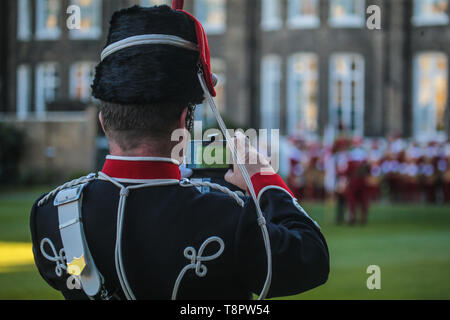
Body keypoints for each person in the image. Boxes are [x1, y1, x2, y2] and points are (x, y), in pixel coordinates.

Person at [29, 4, 329, 300]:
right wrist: (261, 177)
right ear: (183, 120)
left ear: (102, 121)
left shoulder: (50, 214)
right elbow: (311, 257)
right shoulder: (229, 217)